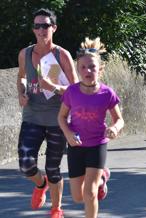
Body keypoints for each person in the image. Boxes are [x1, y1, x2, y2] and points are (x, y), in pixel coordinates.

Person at [16, 8, 77, 218]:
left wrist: (53, 87)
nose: (41, 30)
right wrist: (21, 92)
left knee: (53, 168)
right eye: (37, 26)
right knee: (25, 164)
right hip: (32, 116)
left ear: (54, 28)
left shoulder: (62, 55)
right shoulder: (25, 53)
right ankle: (40, 185)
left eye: (45, 25)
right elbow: (21, 77)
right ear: (34, 30)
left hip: (57, 118)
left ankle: (56, 208)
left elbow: (76, 89)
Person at [57, 37, 124, 218]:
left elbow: (119, 119)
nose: (88, 70)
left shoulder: (107, 93)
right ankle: (103, 177)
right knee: (78, 196)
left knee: (90, 193)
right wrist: (68, 134)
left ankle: (97, 182)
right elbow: (61, 117)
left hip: (97, 144)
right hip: (76, 145)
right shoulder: (71, 92)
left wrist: (115, 128)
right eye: (83, 67)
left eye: (92, 67)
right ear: (78, 70)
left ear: (100, 70)